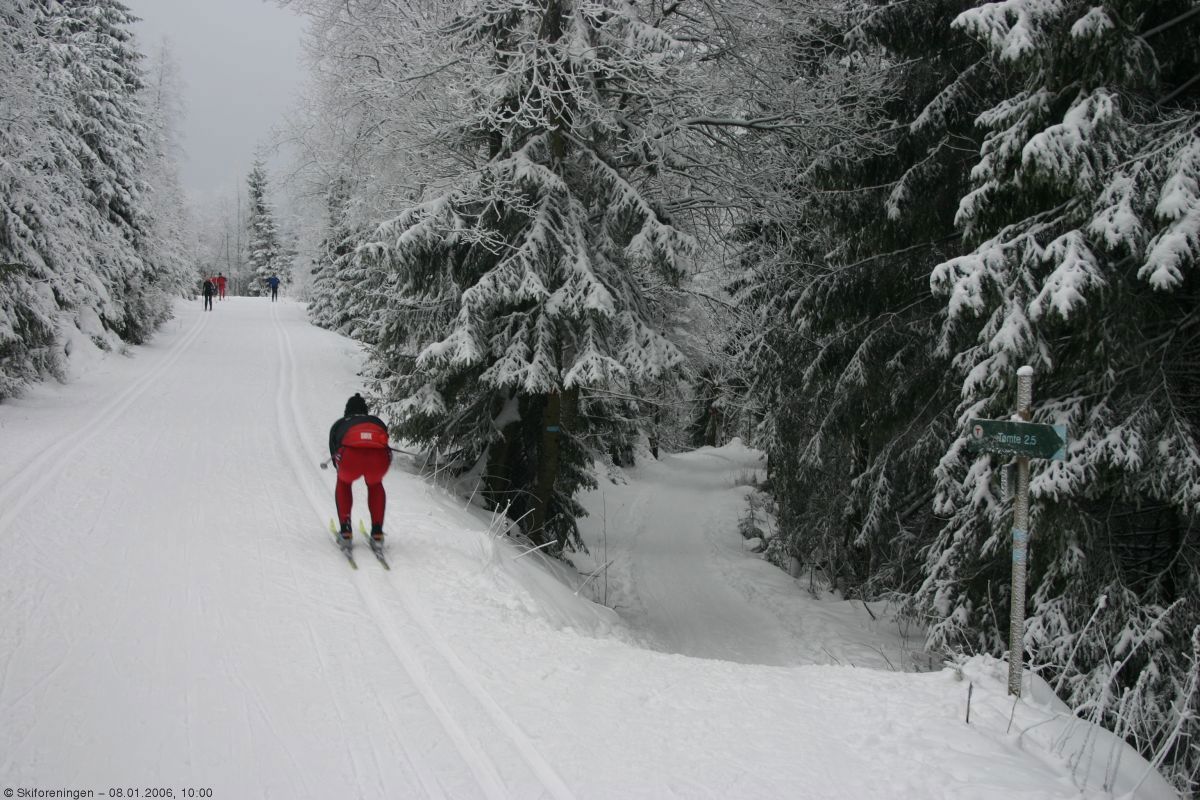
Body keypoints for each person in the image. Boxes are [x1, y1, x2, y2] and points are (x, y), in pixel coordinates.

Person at [328, 393, 390, 545]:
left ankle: (346, 531)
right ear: (365, 411)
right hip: (378, 461)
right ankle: (377, 533)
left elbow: (335, 453)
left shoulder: (340, 424)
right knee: (375, 485)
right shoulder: (376, 422)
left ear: (346, 411)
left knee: (344, 483)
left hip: (350, 460)